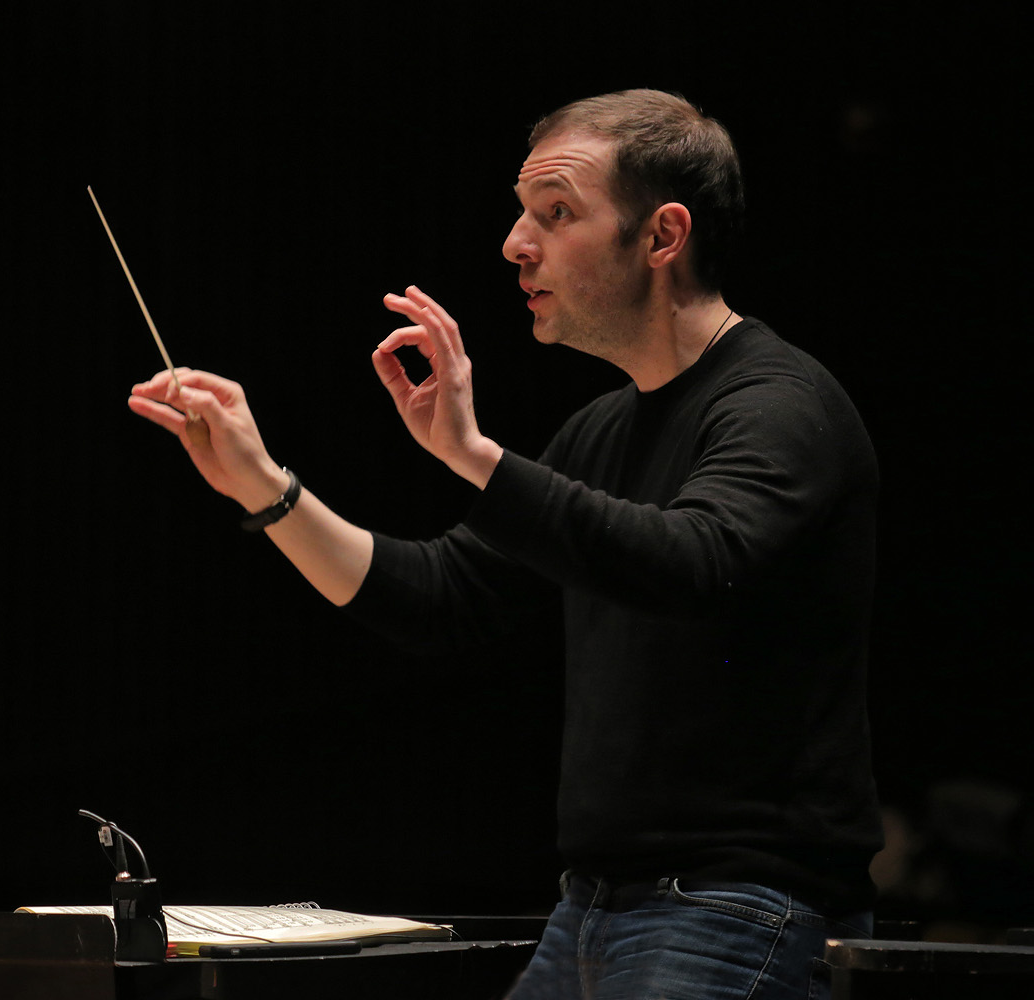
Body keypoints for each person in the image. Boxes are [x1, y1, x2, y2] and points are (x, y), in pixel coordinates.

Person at [129, 89, 882, 999]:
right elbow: (443, 599)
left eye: (555, 213)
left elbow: (694, 562)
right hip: (594, 911)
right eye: (523, 213)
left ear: (662, 235)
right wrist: (263, 484)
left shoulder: (779, 404)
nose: (516, 244)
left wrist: (475, 456)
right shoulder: (602, 429)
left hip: (738, 906)